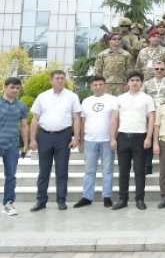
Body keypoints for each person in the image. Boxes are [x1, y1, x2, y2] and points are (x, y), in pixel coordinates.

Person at [29, 70, 82, 212]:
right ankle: (41, 201)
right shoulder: (42, 97)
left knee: (62, 171)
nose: (60, 80)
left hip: (63, 137)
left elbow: (76, 118)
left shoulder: (72, 96)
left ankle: (61, 200)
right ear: (51, 80)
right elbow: (35, 119)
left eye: (62, 78)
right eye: (57, 78)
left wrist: (76, 137)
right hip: (44, 136)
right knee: (43, 171)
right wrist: (32, 139)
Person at [110, 70, 155, 210]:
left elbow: (152, 118)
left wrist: (148, 137)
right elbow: (114, 118)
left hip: (140, 137)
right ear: (127, 83)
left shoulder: (147, 98)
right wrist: (112, 138)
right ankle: (123, 199)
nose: (134, 83)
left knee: (139, 170)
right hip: (123, 137)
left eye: (137, 80)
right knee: (123, 170)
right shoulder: (119, 98)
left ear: (141, 83)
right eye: (132, 80)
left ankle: (140, 199)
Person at [74, 76, 117, 209]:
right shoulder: (86, 101)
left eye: (100, 84)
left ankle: (107, 196)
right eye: (95, 85)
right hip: (90, 141)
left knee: (107, 171)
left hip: (107, 140)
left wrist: (113, 138)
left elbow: (115, 119)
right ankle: (87, 197)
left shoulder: (113, 100)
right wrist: (80, 141)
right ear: (91, 86)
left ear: (105, 85)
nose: (98, 87)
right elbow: (82, 122)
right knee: (89, 171)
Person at [1, 77, 29, 216]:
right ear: (5, 87)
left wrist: (26, 145)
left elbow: (24, 126)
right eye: (12, 87)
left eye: (17, 88)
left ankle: (8, 204)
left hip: (12, 146)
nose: (15, 90)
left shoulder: (21, 106)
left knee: (11, 176)